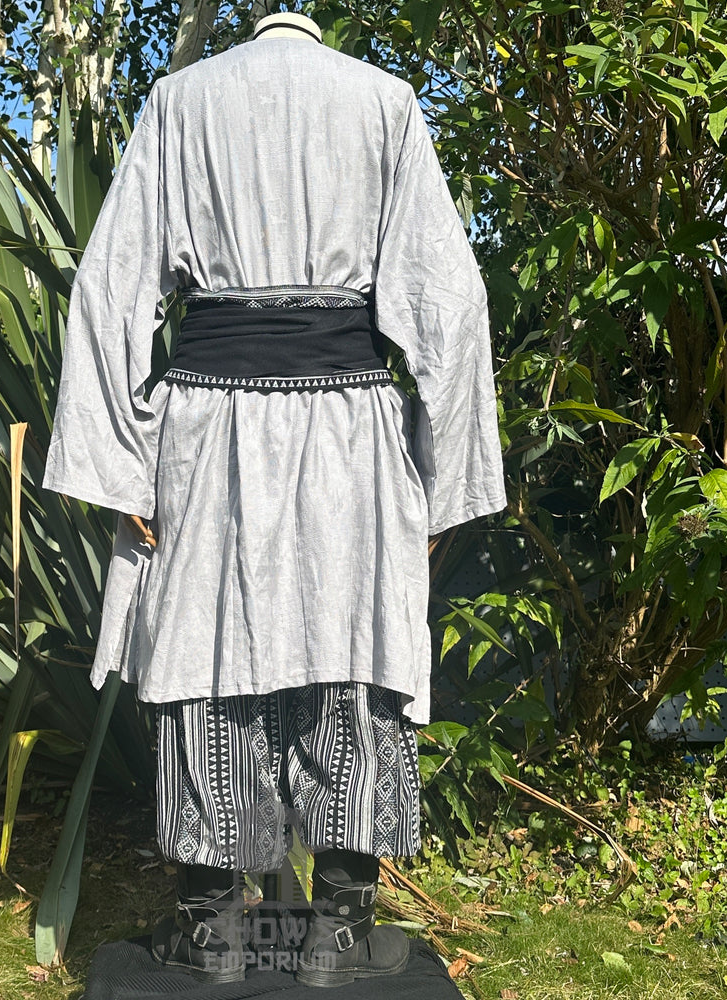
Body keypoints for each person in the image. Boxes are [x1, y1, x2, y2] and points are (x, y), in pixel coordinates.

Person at [42, 8, 506, 988]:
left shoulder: (180, 101)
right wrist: (438, 475)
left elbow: (112, 283)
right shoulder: (384, 102)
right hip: (354, 425)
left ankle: (212, 924)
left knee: (207, 653)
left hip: (203, 425)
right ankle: (339, 925)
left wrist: (122, 460)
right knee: (353, 649)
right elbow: (447, 299)